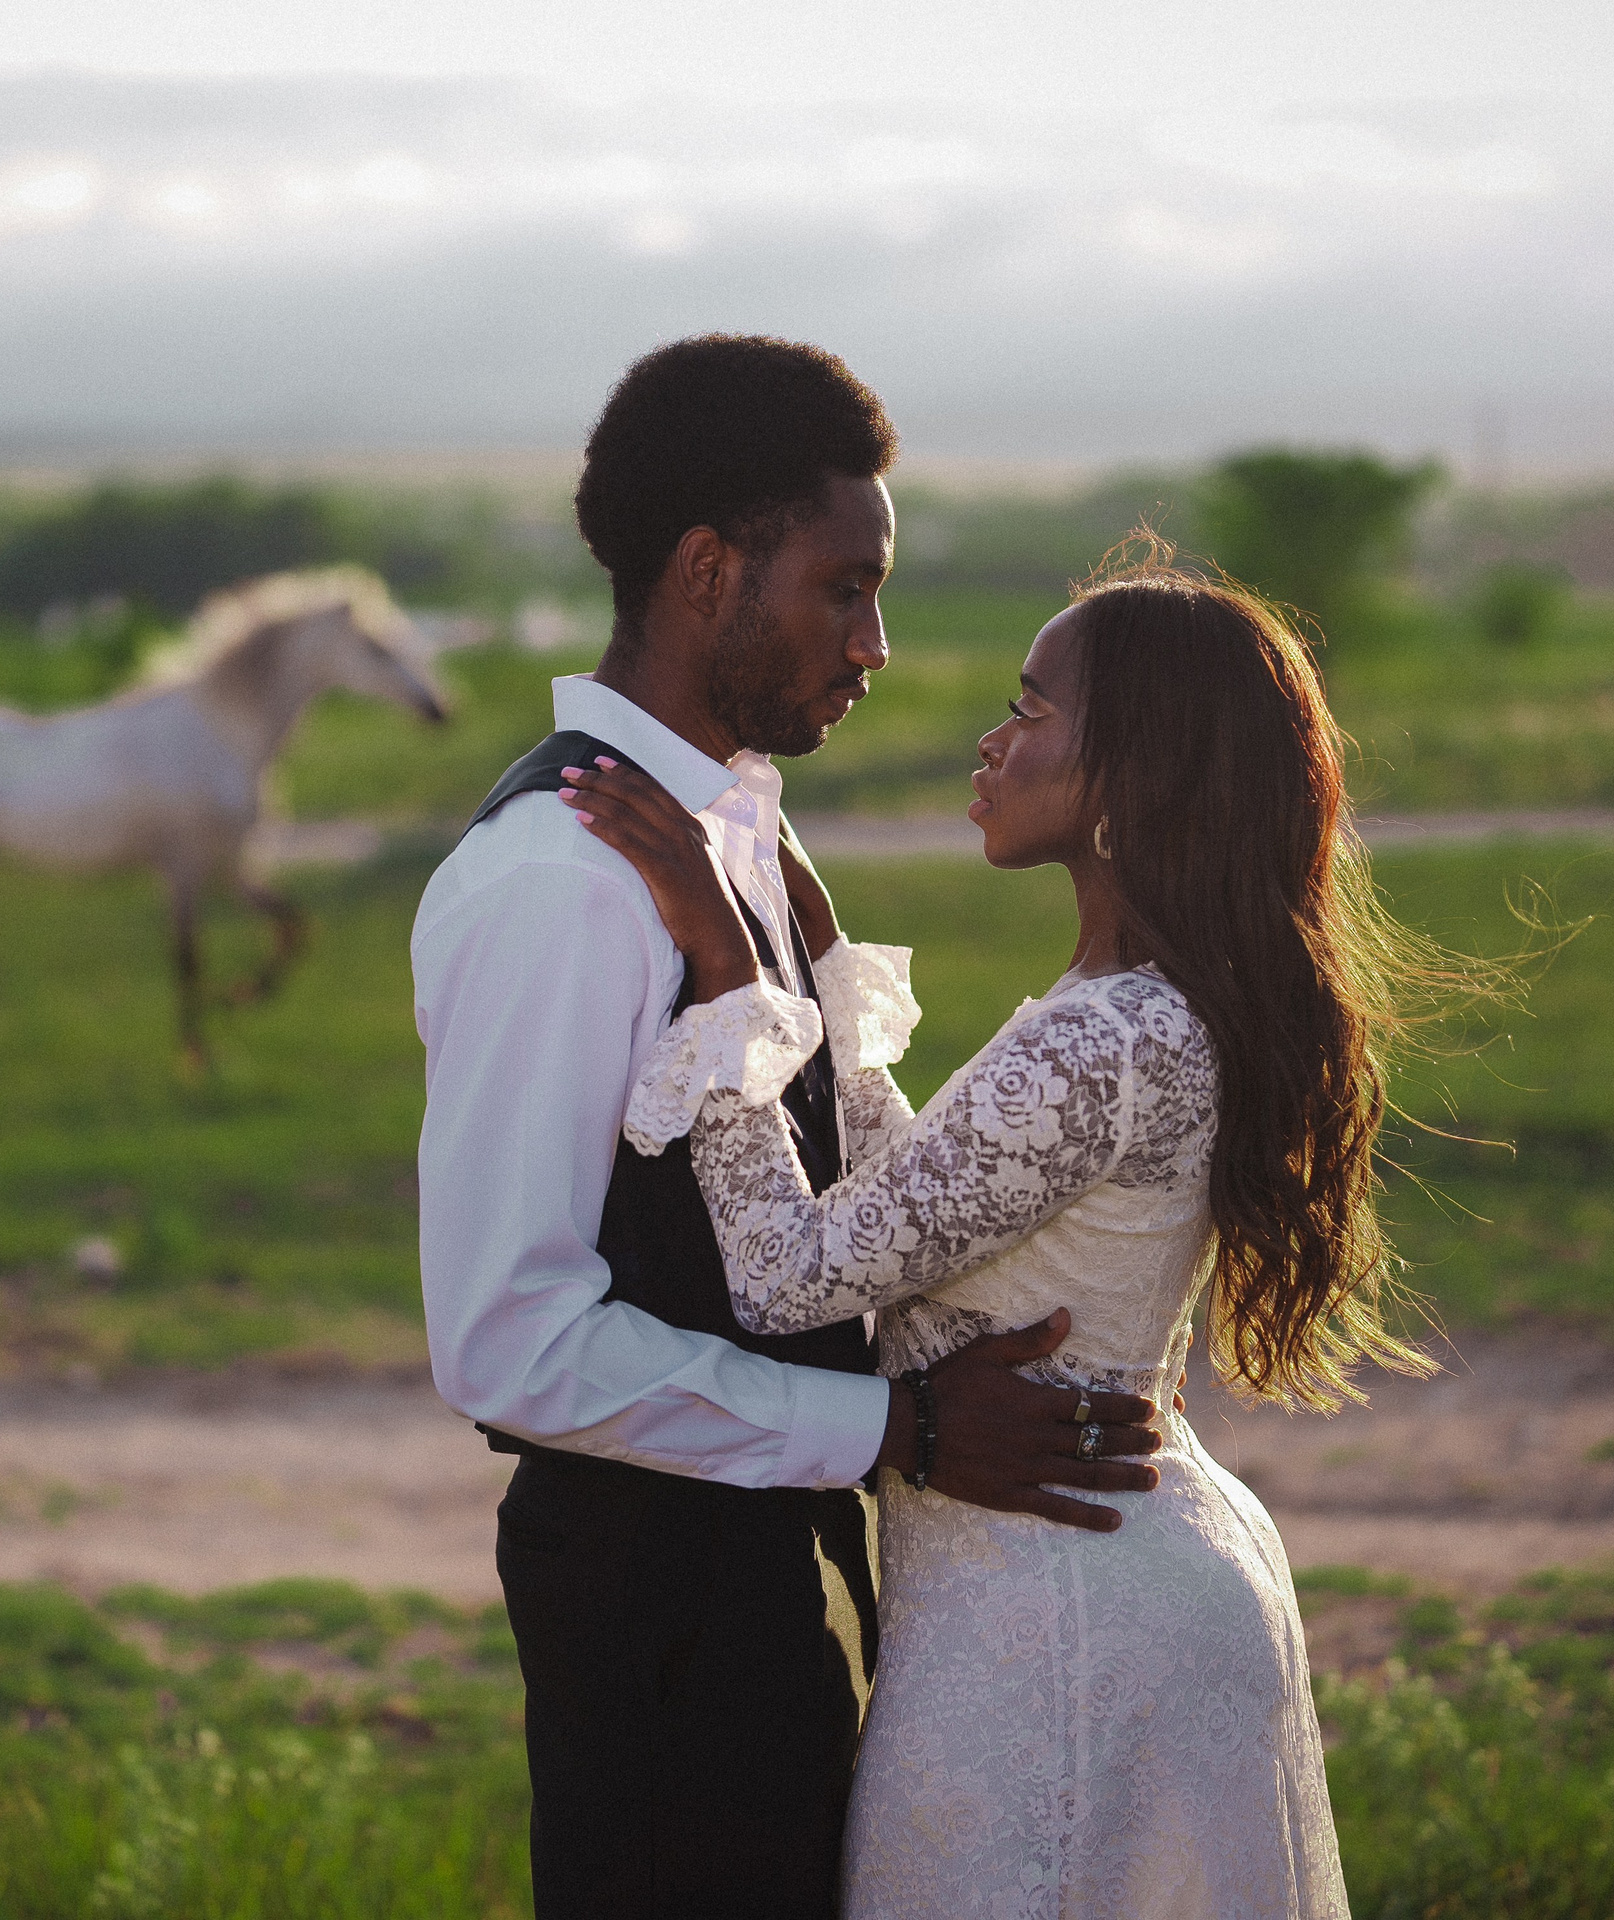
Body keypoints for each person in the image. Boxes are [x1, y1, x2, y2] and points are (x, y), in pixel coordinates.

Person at [556, 548, 1477, 1915]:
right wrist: (824, 987)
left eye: (1031, 709)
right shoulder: (1135, 1007)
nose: (995, 738)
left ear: (1135, 774)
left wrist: (729, 984)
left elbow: (790, 1272)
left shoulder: (1102, 1038)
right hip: (1109, 1577)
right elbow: (929, 1216)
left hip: (1057, 1625)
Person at [410, 335, 1164, 1920]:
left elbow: (824, 1177)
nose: (879, 644)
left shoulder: (731, 831)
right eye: (844, 587)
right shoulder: (563, 881)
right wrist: (897, 1434)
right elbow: (509, 1341)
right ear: (707, 572)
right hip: (654, 1604)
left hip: (768, 1561)